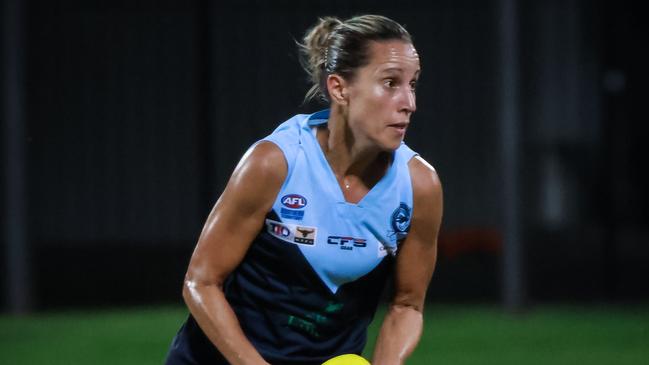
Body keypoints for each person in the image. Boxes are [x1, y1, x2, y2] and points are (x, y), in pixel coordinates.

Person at [165, 14, 443, 365]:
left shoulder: (420, 187)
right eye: (390, 83)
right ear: (339, 88)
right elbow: (201, 282)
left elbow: (407, 305)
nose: (409, 103)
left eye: (413, 84)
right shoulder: (274, 163)